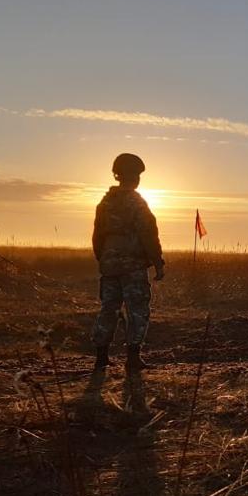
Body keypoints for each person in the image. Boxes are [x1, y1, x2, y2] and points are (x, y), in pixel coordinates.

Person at [91, 153, 164, 372]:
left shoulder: (104, 204)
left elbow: (97, 237)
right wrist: (158, 262)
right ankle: (133, 358)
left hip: (110, 266)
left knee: (108, 309)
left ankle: (101, 357)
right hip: (132, 266)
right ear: (134, 177)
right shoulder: (137, 203)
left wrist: (104, 260)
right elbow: (149, 235)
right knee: (137, 310)